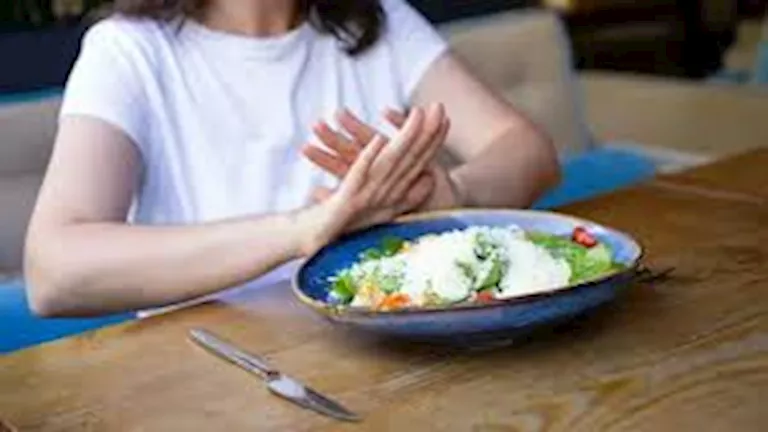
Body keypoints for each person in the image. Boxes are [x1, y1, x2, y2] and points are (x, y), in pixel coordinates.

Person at [24, 0, 559, 317]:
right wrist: (302, 230)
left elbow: (527, 151)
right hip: (202, 376)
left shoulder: (379, 21)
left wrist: (452, 194)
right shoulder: (129, 51)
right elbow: (53, 271)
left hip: (377, 358)